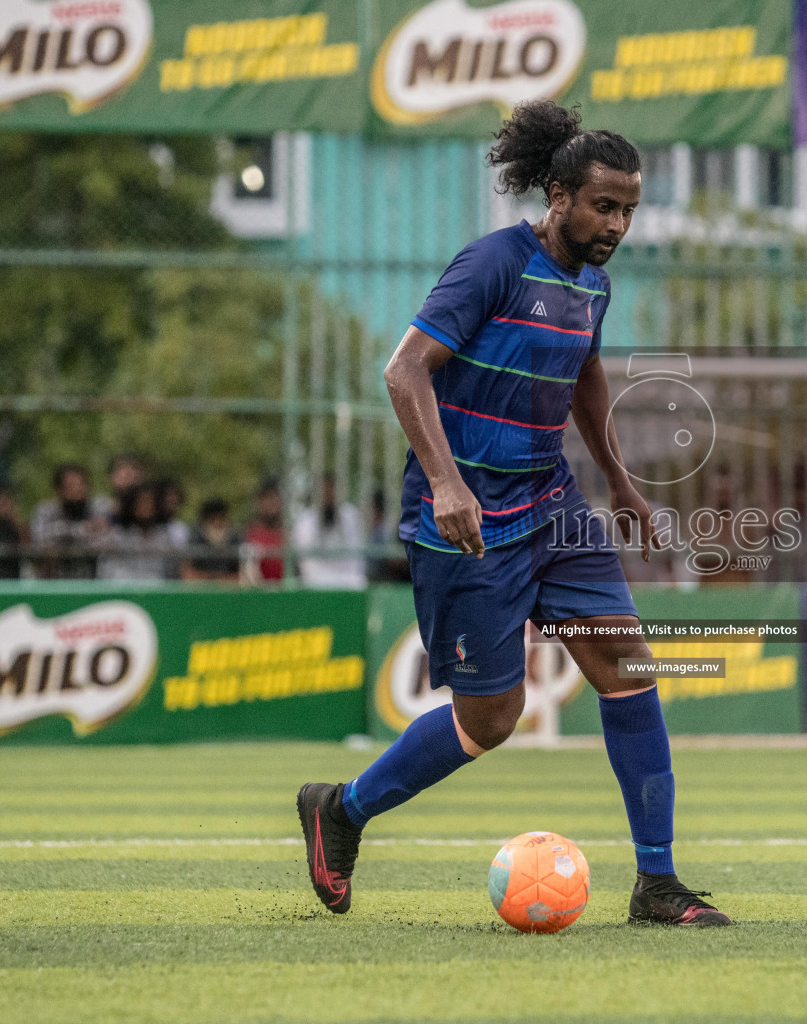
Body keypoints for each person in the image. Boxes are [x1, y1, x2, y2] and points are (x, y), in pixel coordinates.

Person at [296, 100, 731, 927]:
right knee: (491, 719)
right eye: (605, 205)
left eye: (631, 210)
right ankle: (342, 810)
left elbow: (586, 373)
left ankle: (657, 882)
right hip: (465, 519)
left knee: (629, 669)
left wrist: (621, 480)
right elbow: (404, 372)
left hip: (552, 508)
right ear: (558, 194)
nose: (618, 224)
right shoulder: (493, 263)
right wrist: (448, 484)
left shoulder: (593, 283)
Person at [293, 472, 366, 588]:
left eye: (332, 490)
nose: (329, 495)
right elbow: (307, 563)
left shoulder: (352, 516)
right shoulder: (305, 522)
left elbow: (356, 560)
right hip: (315, 584)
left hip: (350, 583)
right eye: (325, 491)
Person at [31, 463, 102, 579]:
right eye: (71, 486)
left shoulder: (97, 509)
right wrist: (83, 529)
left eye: (81, 485)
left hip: (91, 582)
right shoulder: (44, 511)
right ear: (58, 490)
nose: (78, 490)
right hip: (53, 583)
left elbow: (102, 543)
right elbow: (41, 543)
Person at [97, 483, 176, 581]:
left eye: (150, 503)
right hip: (124, 591)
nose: (146, 507)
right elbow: (106, 572)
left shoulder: (165, 536)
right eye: (141, 503)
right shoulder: (117, 536)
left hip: (158, 591)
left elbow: (171, 573)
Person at [182, 498, 241, 582]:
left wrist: (223, 581)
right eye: (212, 519)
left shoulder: (235, 538)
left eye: (221, 519)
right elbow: (186, 572)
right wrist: (207, 580)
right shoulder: (195, 537)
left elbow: (242, 574)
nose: (217, 523)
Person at [243, 480, 286, 584]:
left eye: (275, 498)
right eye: (267, 498)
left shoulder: (289, 535)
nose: (271, 503)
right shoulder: (248, 535)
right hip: (260, 594)